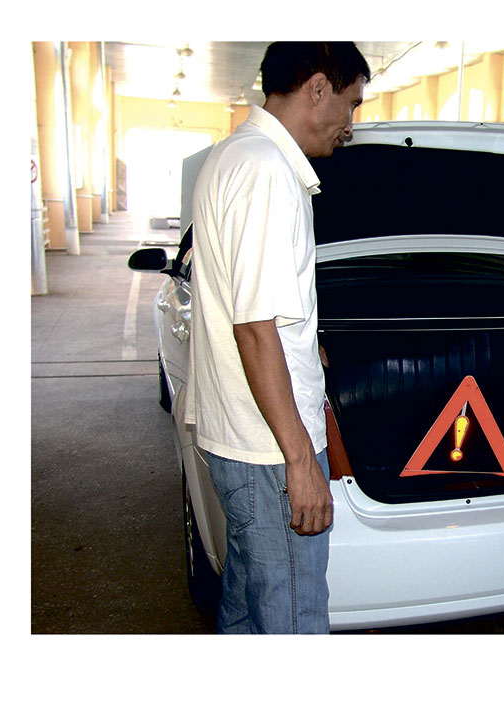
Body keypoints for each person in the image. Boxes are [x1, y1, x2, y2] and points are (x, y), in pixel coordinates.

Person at [186, 42, 369, 633]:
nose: (351, 124)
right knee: (292, 620)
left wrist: (307, 346)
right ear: (317, 88)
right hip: (267, 449)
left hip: (242, 440)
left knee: (248, 607)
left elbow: (256, 311)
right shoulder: (267, 171)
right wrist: (299, 460)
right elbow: (254, 329)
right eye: (351, 103)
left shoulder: (236, 154)